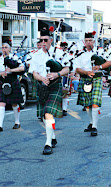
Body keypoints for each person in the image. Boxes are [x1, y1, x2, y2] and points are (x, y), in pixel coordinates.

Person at [28, 27, 70, 155]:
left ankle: (47, 143)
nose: (43, 43)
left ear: (51, 40)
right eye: (41, 40)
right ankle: (52, 136)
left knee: (48, 113)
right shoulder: (36, 55)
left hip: (55, 85)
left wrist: (57, 74)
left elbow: (67, 68)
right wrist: (42, 78)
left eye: (46, 40)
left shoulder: (59, 53)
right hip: (42, 86)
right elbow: (34, 72)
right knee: (45, 116)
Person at [75, 31, 104, 136]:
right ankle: (92, 123)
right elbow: (77, 68)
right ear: (84, 42)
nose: (88, 43)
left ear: (94, 41)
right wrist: (86, 72)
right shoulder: (79, 54)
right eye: (86, 41)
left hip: (96, 78)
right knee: (87, 104)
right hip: (85, 79)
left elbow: (108, 62)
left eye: (90, 41)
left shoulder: (100, 52)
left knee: (95, 102)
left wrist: (100, 67)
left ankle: (95, 126)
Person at [0, 40, 25, 132]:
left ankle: (17, 122)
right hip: (3, 82)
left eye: (6, 47)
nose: (4, 49)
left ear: (10, 48)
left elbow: (22, 68)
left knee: (14, 103)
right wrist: (1, 73)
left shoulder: (14, 57)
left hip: (13, 81)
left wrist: (11, 70)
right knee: (1, 103)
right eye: (2, 47)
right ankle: (0, 125)